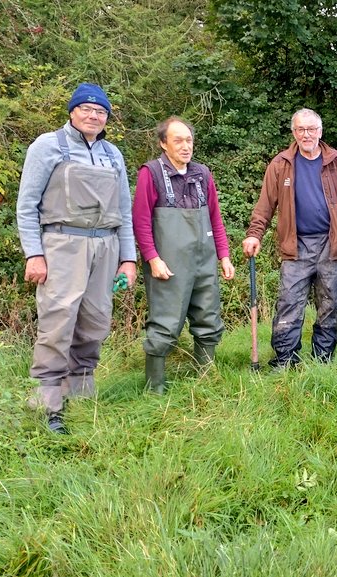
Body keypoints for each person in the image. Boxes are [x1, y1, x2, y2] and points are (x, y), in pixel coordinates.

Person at [16, 83, 138, 434]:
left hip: (106, 245)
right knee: (58, 319)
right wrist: (34, 254)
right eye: (86, 108)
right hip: (62, 244)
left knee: (96, 321)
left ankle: (82, 398)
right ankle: (47, 403)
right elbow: (26, 206)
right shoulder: (48, 146)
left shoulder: (113, 154)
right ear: (72, 111)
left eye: (100, 111)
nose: (93, 115)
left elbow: (124, 212)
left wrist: (128, 260)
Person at [243, 108, 337, 369]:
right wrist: (254, 234)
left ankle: (323, 360)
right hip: (295, 246)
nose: (306, 134)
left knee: (330, 305)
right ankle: (285, 360)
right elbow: (265, 206)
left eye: (311, 129)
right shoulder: (280, 164)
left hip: (333, 246)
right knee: (289, 303)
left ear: (320, 132)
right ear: (293, 132)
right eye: (300, 129)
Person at [133, 117, 235, 393]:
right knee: (166, 322)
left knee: (208, 317)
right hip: (168, 263)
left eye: (188, 140)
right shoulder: (150, 173)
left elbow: (215, 217)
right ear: (163, 143)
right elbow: (141, 221)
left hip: (204, 259)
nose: (185, 145)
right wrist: (152, 258)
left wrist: (223, 256)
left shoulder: (202, 174)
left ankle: (205, 378)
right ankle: (155, 387)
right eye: (178, 140)